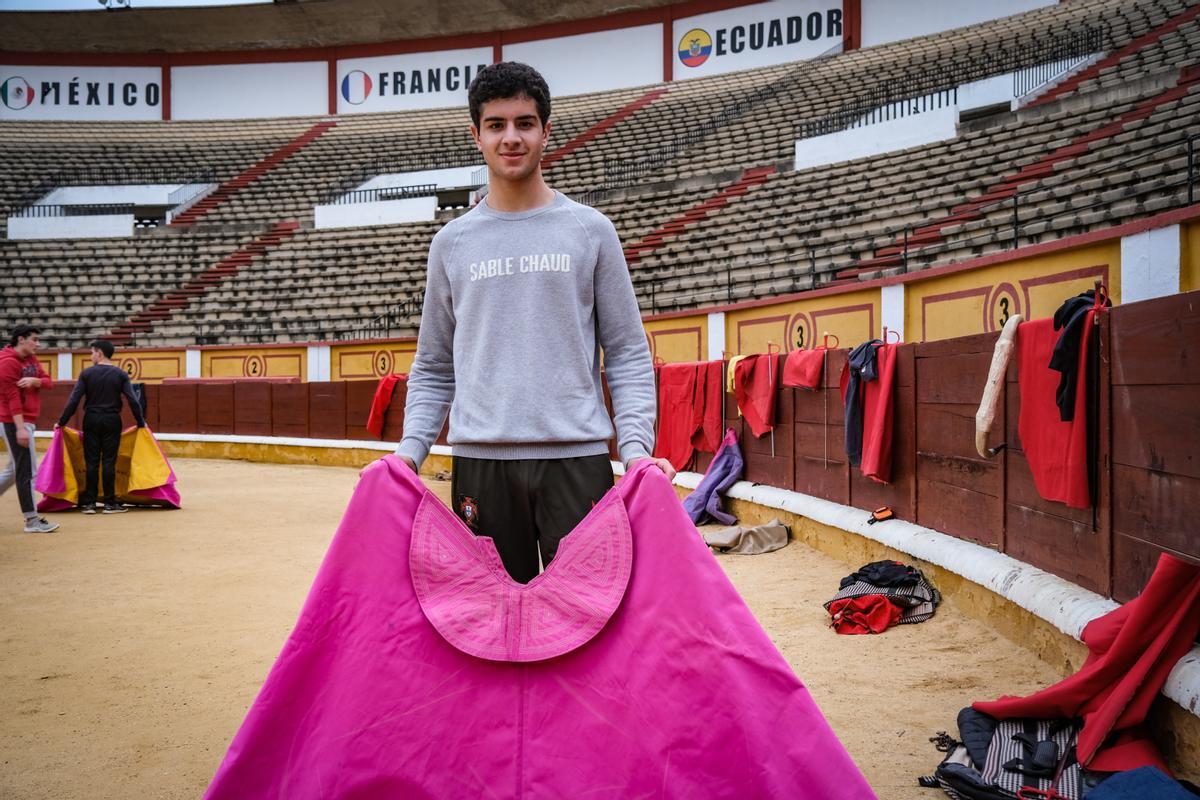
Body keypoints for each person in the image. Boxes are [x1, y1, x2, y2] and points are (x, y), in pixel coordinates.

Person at [396, 62, 674, 584]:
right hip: (482, 464)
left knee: (592, 621)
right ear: (476, 134)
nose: (511, 137)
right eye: (496, 124)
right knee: (492, 626)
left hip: (577, 462)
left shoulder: (591, 231)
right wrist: (408, 457)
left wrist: (637, 452)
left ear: (547, 131)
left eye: (525, 123)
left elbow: (628, 352)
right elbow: (434, 364)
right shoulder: (451, 244)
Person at [56, 339, 145, 514]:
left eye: (92, 352)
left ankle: (90, 503)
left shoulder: (87, 374)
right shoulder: (120, 374)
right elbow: (133, 400)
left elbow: (74, 400)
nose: (91, 356)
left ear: (100, 353)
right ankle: (110, 504)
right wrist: (140, 422)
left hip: (91, 419)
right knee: (109, 461)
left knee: (92, 461)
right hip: (112, 419)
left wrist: (61, 422)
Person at [0, 324, 59, 533]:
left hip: (26, 421)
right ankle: (31, 520)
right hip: (14, 421)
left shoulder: (31, 360)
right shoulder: (7, 363)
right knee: (27, 470)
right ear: (21, 339)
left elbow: (48, 382)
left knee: (14, 470)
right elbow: (11, 399)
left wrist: (35, 381)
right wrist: (20, 428)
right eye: (34, 339)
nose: (38, 343)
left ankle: (32, 519)